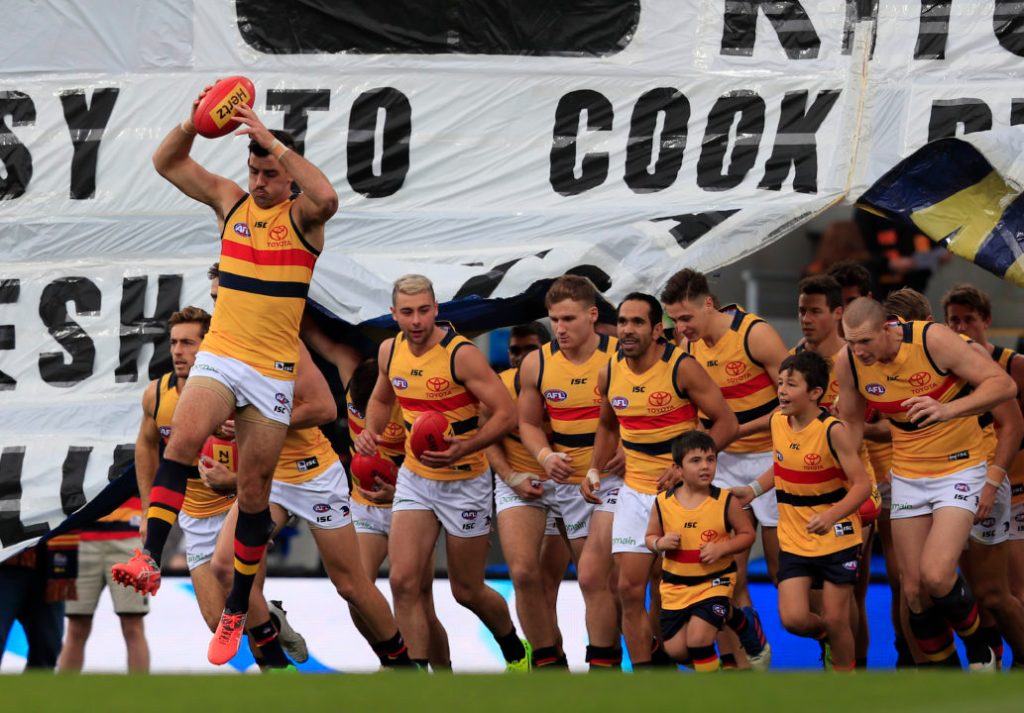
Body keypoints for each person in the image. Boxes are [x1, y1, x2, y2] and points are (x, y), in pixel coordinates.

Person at [112, 87, 338, 663]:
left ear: (285, 176)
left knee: (256, 492)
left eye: (268, 172)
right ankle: (149, 557)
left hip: (272, 371)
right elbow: (166, 162)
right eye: (254, 170)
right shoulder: (230, 202)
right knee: (182, 440)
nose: (260, 181)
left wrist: (274, 144)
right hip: (223, 354)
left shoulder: (304, 220)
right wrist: (192, 122)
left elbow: (328, 196)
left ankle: (239, 605)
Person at [354, 274, 528, 671]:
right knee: (403, 582)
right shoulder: (389, 350)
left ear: (436, 310)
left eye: (424, 311)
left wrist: (465, 447)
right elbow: (382, 397)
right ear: (394, 314)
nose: (416, 320)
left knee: (466, 590)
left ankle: (515, 650)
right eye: (407, 312)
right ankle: (418, 677)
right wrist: (372, 432)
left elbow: (506, 413)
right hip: (416, 479)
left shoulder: (460, 354)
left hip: (466, 480)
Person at [834, 297, 1017, 669]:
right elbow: (852, 426)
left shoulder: (933, 340)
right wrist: (851, 474)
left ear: (887, 327)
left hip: (960, 469)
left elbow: (1004, 385)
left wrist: (948, 409)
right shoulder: (849, 361)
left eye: (865, 341)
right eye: (851, 342)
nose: (858, 351)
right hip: (908, 477)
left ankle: (981, 647)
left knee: (938, 575)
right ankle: (945, 679)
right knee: (913, 590)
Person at [587, 293, 760, 668]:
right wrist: (593, 469)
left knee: (704, 589)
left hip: (687, 498)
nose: (628, 330)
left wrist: (685, 468)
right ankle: (648, 681)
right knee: (627, 589)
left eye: (637, 322)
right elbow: (606, 425)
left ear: (657, 329)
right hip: (634, 494)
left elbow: (727, 422)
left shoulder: (682, 367)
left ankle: (737, 663)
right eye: (623, 322)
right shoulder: (609, 371)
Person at [137, 304, 305, 668]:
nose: (179, 352)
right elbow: (147, 446)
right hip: (194, 516)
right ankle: (274, 618)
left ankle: (278, 676)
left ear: (209, 345)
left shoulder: (240, 391)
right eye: (174, 343)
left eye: (188, 343)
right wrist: (148, 507)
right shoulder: (157, 394)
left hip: (236, 508)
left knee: (244, 601)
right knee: (218, 621)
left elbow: (274, 452)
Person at [660, 268, 788, 666]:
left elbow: (794, 404)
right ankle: (742, 662)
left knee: (786, 577)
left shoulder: (755, 335)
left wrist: (730, 430)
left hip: (773, 459)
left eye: (686, 318)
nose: (681, 328)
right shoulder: (689, 345)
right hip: (723, 463)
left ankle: (826, 653)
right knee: (725, 575)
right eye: (674, 320)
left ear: (709, 304)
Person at [734, 351, 871, 671]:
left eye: (791, 384)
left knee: (838, 617)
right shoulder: (778, 421)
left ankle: (846, 684)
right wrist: (752, 490)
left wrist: (831, 515)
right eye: (780, 383)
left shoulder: (832, 430)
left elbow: (862, 485)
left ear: (815, 393)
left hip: (837, 537)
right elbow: (781, 465)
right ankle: (830, 638)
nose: (781, 390)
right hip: (795, 539)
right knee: (793, 619)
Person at [516, 276, 624, 669]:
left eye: (568, 319)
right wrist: (544, 456)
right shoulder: (537, 363)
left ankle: (614, 663)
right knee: (597, 582)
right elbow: (526, 422)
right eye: (554, 320)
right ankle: (610, 663)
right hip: (574, 487)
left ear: (592, 315)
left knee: (602, 579)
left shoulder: (618, 356)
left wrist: (628, 448)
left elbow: (650, 405)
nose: (559, 328)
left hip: (619, 481)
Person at [792, 275, 882, 668]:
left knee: (850, 594)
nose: (806, 319)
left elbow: (881, 420)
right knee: (813, 597)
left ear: (837, 313)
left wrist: (841, 431)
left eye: (815, 311)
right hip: (805, 490)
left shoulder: (856, 358)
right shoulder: (795, 357)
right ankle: (834, 660)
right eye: (801, 311)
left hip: (852, 486)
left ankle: (853, 671)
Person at [942, 284, 1024, 665]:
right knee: (980, 591)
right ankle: (990, 657)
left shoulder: (1014, 366)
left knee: (1012, 588)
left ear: (986, 321)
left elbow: (1016, 426)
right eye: (953, 320)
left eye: (969, 319)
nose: (961, 326)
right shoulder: (949, 370)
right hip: (968, 486)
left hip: (1015, 486)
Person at [488, 321, 575, 668]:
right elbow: (487, 433)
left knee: (553, 582)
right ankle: (546, 660)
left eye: (529, 349)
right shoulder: (499, 386)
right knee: (524, 574)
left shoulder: (567, 381)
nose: (521, 357)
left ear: (547, 349)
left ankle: (561, 658)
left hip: (568, 484)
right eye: (514, 350)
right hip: (519, 483)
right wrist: (509, 476)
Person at [644, 431, 756, 672]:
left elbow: (747, 534)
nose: (705, 467)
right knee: (676, 650)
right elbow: (650, 537)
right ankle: (737, 619)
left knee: (698, 640)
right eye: (696, 461)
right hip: (675, 587)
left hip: (714, 582)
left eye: (710, 459)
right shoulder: (663, 502)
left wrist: (722, 547)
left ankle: (714, 697)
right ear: (678, 469)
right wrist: (659, 544)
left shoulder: (726, 500)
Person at [57, 496, 150, 673]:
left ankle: (141, 694)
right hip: (81, 536)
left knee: (133, 623)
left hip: (130, 534)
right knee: (76, 624)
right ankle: (63, 695)